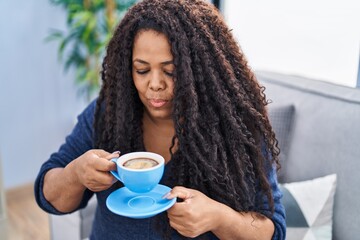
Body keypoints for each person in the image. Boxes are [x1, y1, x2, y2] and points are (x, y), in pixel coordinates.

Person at [35, 0, 286, 239]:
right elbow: (49, 196)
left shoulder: (235, 126)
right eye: (141, 70)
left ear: (199, 71)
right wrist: (75, 174)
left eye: (172, 71)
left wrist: (219, 218)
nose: (155, 85)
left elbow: (272, 230)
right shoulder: (107, 115)